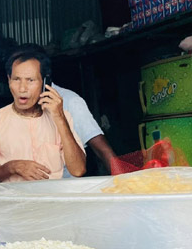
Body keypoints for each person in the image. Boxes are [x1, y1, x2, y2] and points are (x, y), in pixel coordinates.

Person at [0, 47, 86, 184]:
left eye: (30, 80)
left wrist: (60, 118)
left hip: (51, 202)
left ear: (45, 84)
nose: (22, 88)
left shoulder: (62, 118)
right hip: (12, 204)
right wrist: (11, 167)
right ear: (8, 80)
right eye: (16, 79)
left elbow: (78, 170)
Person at [16, 44, 117, 175]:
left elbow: (102, 150)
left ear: (45, 75)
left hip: (65, 192)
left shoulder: (71, 101)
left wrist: (127, 187)